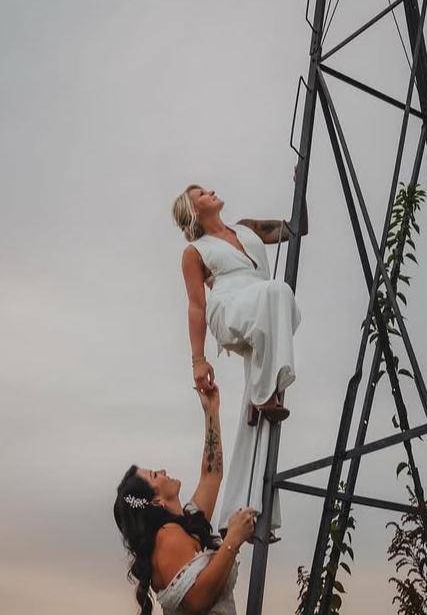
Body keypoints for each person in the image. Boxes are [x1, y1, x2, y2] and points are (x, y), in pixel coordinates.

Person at [171, 184, 304, 536]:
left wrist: (300, 186)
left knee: (279, 296)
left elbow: (296, 229)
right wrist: (198, 360)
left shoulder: (247, 229)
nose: (211, 191)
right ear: (194, 211)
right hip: (230, 310)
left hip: (264, 308)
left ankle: (245, 512)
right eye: (202, 193)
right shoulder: (195, 252)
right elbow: (196, 305)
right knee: (279, 290)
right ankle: (263, 392)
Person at [114, 385, 257, 615]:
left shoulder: (186, 521)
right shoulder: (167, 538)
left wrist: (211, 410)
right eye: (155, 475)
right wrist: (233, 539)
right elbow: (196, 601)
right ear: (156, 502)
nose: (163, 470)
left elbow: (211, 475)